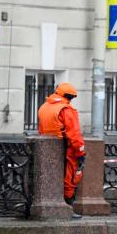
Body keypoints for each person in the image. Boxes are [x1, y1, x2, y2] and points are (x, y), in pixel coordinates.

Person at [37, 82, 86, 210]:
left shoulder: (44, 107)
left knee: (48, 180)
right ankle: (67, 208)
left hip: (45, 147)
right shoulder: (66, 110)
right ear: (68, 96)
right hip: (65, 148)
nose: (71, 101)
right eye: (71, 98)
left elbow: (40, 129)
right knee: (70, 177)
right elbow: (74, 135)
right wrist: (81, 153)